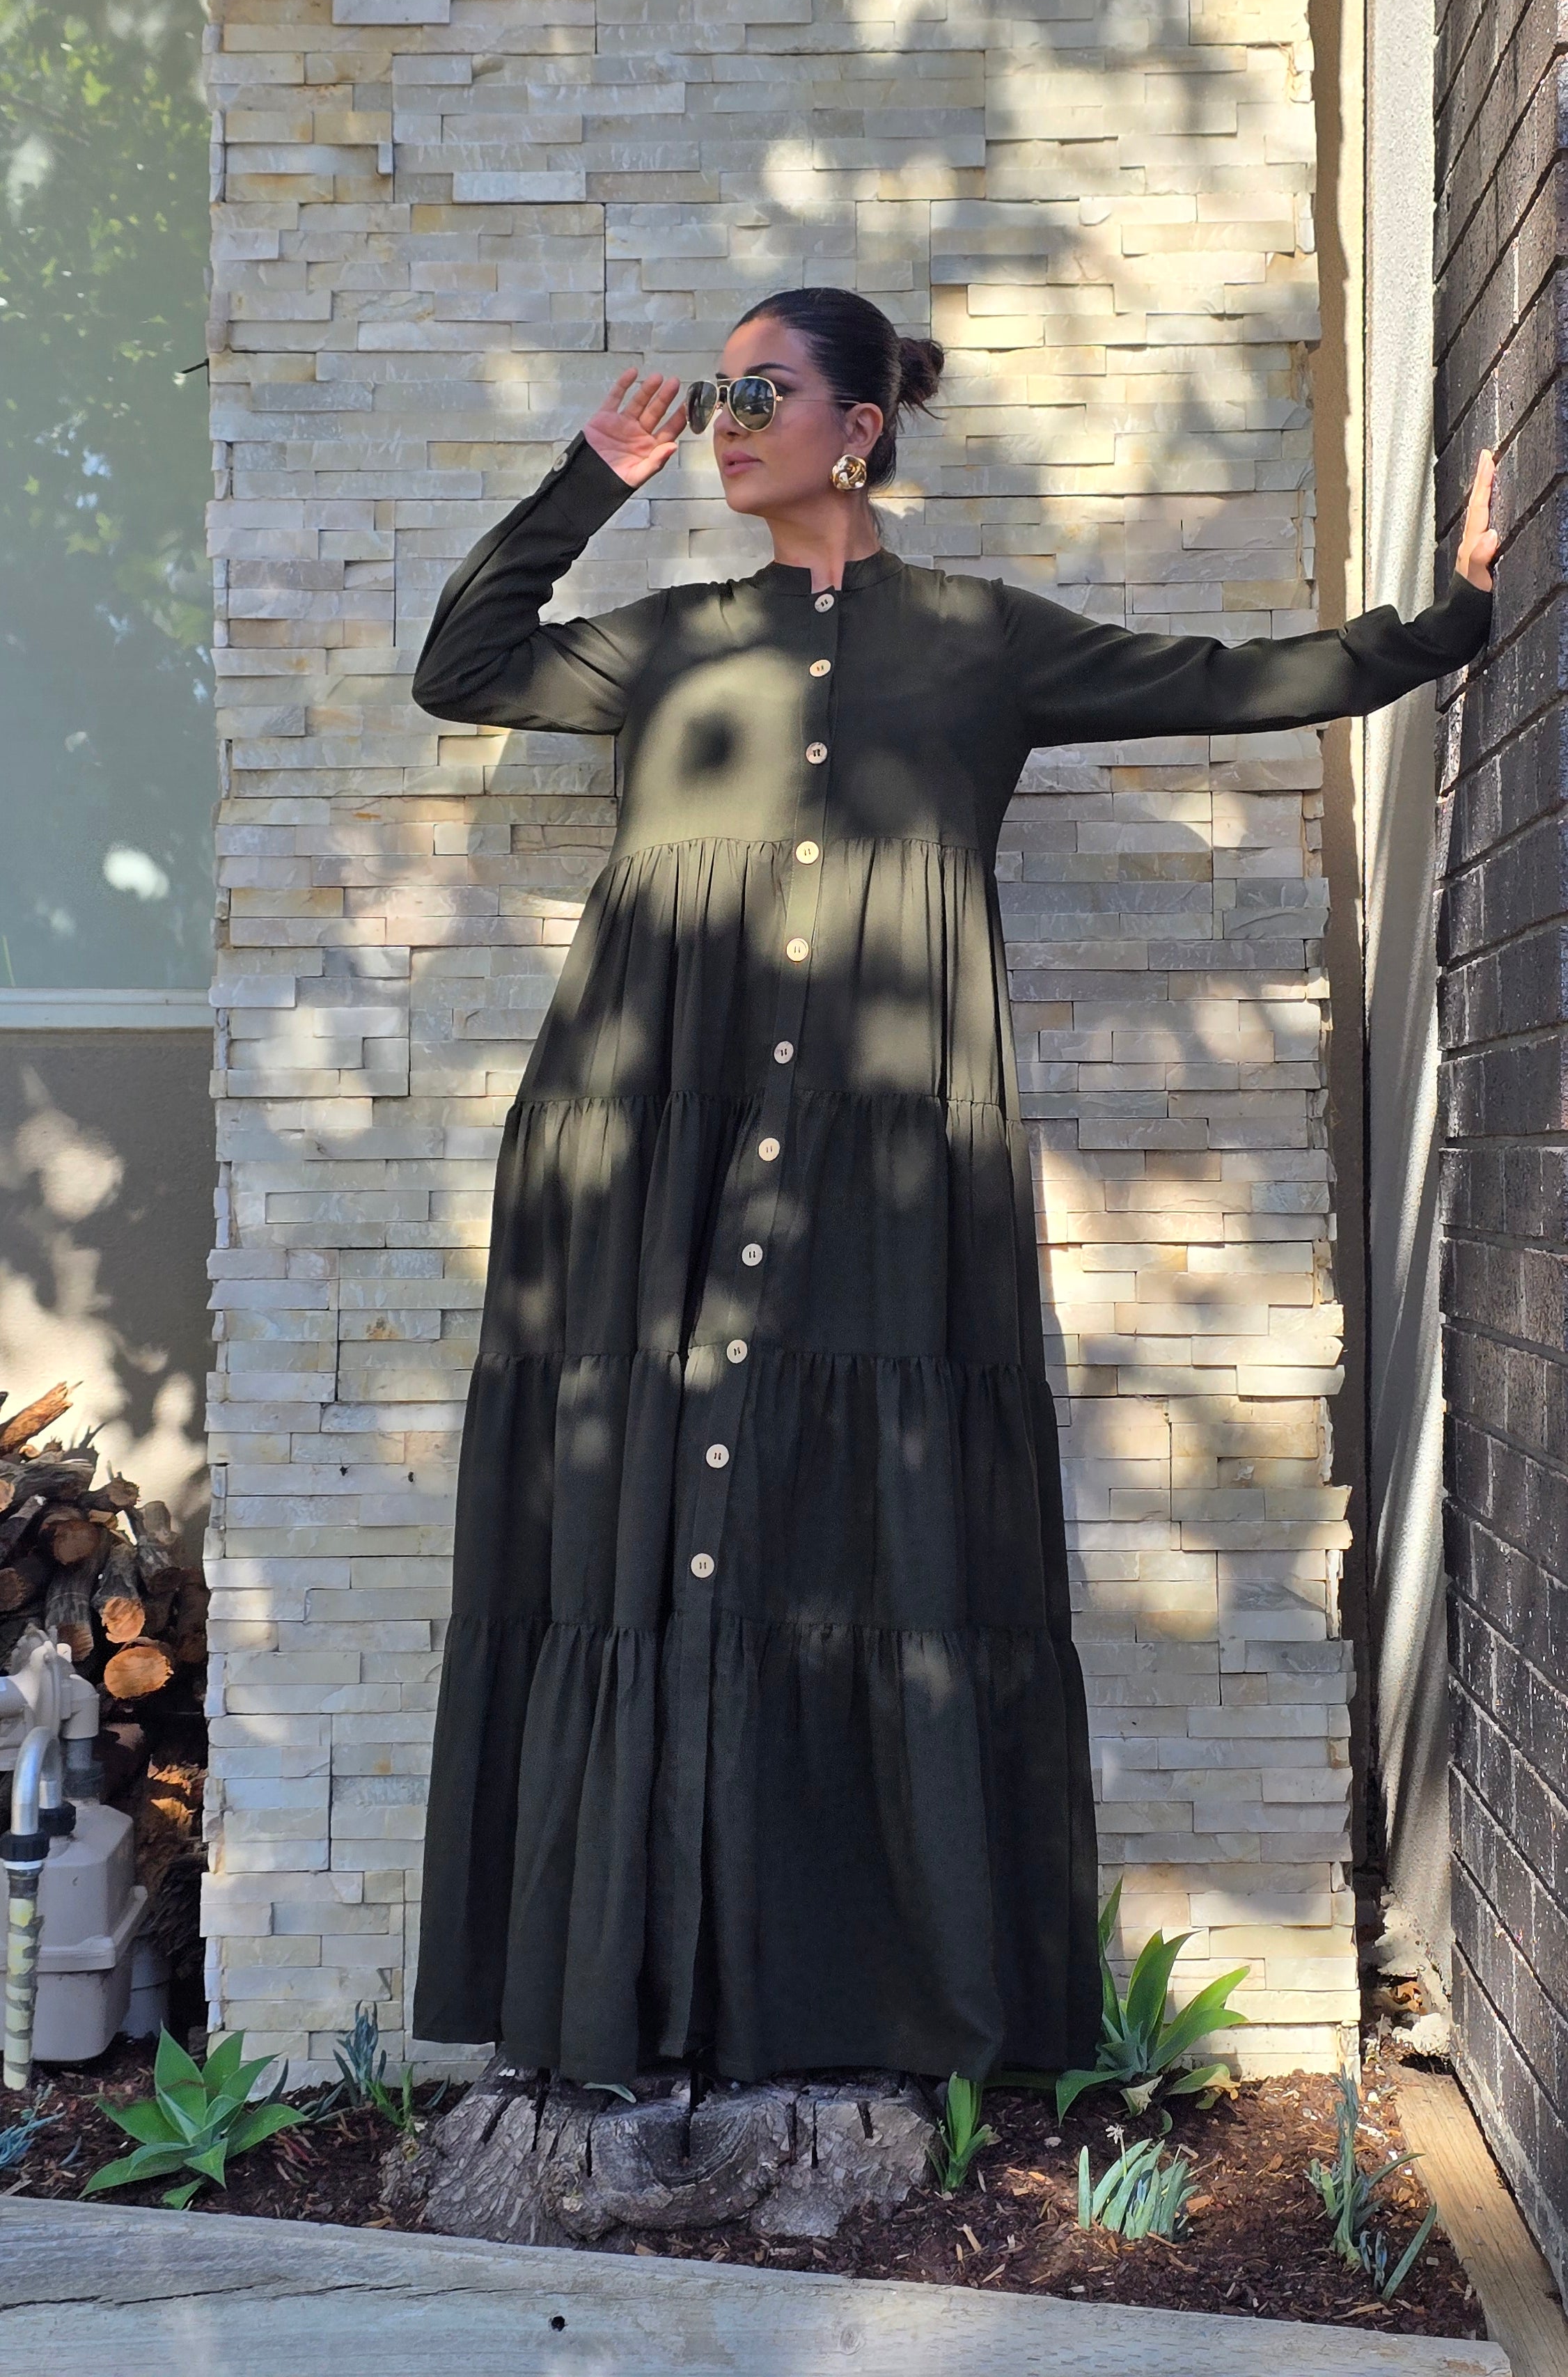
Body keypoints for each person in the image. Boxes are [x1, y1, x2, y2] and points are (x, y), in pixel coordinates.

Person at [409, 286, 1498, 2089]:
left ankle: (844, 1993)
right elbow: (461, 665)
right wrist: (591, 476)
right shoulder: (672, 643)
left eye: (759, 391)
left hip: (886, 1147)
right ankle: (627, 1989)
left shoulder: (982, 644)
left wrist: (1445, 622)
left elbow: (1227, 681)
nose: (725, 423)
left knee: (863, 1523)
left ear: (859, 428)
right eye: (715, 395)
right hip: (640, 1142)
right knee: (630, 1533)